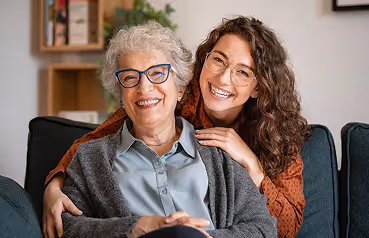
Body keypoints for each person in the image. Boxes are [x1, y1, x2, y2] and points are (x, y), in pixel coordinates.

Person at [43, 16, 308, 238]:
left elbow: (272, 228)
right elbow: (87, 148)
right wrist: (54, 184)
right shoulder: (96, 154)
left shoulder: (244, 152)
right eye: (219, 60)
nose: (145, 88)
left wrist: (252, 165)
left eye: (243, 71)